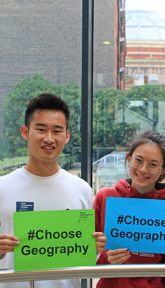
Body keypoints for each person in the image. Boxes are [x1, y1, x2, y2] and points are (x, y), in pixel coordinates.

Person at [0, 93, 106, 288]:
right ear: (25, 132)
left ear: (66, 136)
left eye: (57, 131)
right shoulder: (2, 188)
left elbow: (85, 253)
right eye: (41, 129)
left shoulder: (81, 189)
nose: (49, 138)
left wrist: (96, 248)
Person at [94, 131, 165, 288]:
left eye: (153, 164)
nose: (143, 169)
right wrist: (105, 257)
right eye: (138, 161)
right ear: (128, 159)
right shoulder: (105, 198)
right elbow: (89, 257)